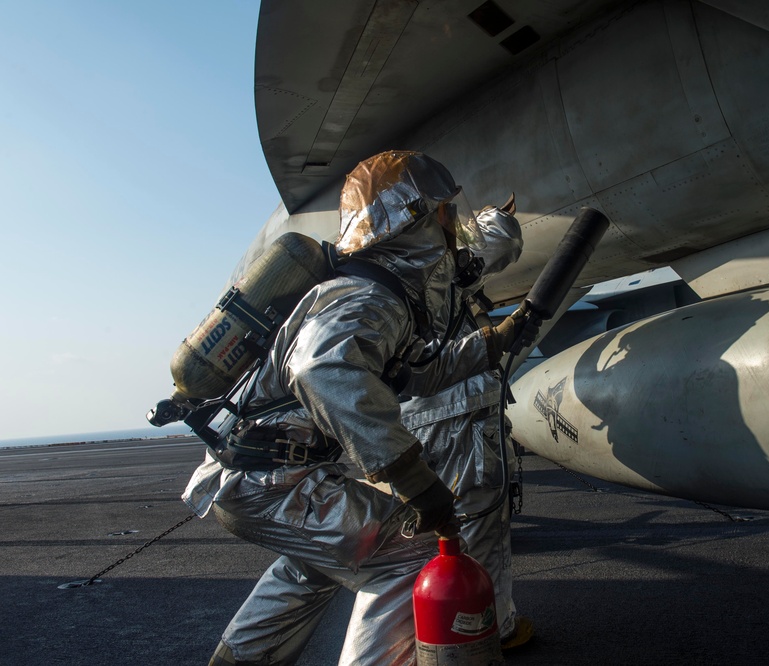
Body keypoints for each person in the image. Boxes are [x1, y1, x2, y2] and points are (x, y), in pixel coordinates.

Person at [181, 151, 531, 665]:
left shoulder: (381, 295)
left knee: (319, 563)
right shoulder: (368, 297)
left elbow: (417, 374)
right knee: (409, 555)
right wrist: (413, 479)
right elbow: (320, 369)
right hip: (275, 482)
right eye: (446, 211)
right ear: (419, 216)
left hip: (254, 475)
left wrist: (493, 342)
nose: (454, 224)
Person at [399, 199, 534, 649]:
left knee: (430, 533)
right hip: (464, 411)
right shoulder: (438, 255)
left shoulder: (383, 271)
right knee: (480, 524)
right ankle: (495, 629)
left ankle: (430, 632)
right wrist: (493, 214)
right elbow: (504, 241)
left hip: (414, 420)